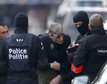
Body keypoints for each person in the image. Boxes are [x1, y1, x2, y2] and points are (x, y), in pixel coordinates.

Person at [0, 13, 42, 84]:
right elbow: (42, 62)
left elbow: (2, 63)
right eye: (3, 33)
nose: (6, 34)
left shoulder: (6, 41)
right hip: (25, 78)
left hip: (13, 79)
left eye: (7, 32)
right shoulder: (34, 39)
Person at [66, 14, 107, 82]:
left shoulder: (87, 41)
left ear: (89, 27)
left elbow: (77, 63)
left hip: (89, 79)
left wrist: (67, 78)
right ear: (102, 25)